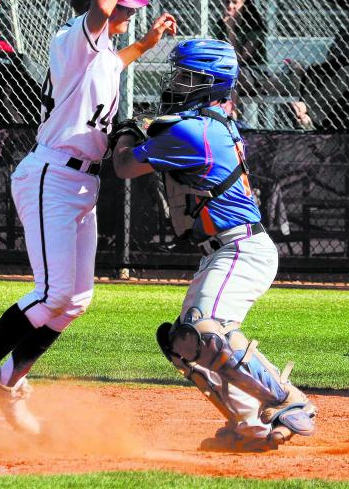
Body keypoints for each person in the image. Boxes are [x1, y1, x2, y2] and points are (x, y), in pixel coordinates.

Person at [0, 0, 177, 433]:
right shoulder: (74, 38)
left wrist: (149, 43)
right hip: (51, 173)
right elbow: (99, 10)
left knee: (76, 298)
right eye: (122, 5)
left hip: (82, 182)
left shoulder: (100, 58)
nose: (127, 12)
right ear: (100, 2)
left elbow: (116, 62)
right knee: (51, 293)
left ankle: (6, 383)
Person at [111, 37, 317, 452]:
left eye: (187, 78)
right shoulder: (203, 124)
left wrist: (124, 131)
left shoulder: (194, 131)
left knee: (206, 332)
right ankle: (249, 428)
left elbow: (124, 165)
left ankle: (286, 399)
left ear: (211, 83)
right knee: (183, 344)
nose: (177, 84)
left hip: (241, 248)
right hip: (224, 250)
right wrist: (145, 127)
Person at [215, 0, 267, 125]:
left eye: (235, 2)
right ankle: (226, 114)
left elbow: (240, 59)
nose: (230, 6)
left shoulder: (255, 26)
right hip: (226, 72)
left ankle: (231, 113)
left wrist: (231, 30)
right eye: (227, 1)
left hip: (253, 72)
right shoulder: (220, 25)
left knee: (235, 71)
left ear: (245, 5)